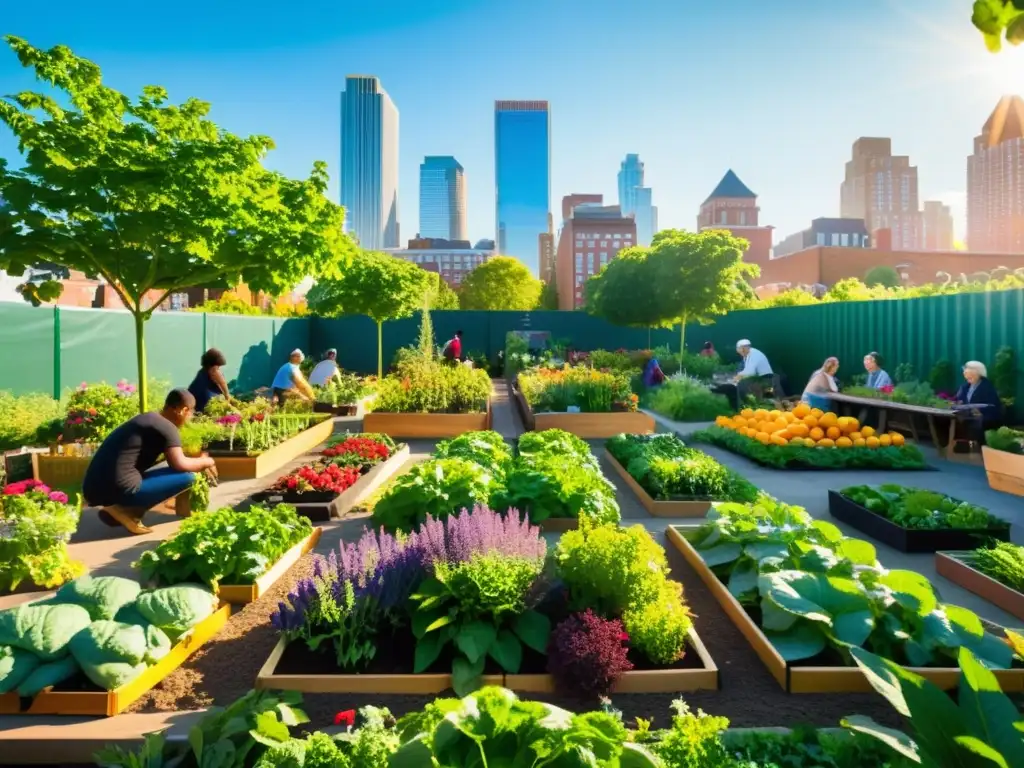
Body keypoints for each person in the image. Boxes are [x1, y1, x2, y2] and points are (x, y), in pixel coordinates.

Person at [83, 389, 217, 535]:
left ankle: (128, 508)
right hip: (117, 490)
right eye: (191, 412)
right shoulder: (167, 427)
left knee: (180, 469)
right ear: (183, 410)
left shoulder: (150, 419)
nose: (190, 417)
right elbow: (180, 464)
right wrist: (207, 461)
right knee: (190, 475)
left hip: (94, 488)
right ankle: (125, 510)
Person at [954, 361, 1003, 433]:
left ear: (979, 374)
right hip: (967, 418)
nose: (967, 377)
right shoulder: (964, 387)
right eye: (965, 374)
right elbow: (958, 401)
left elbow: (994, 407)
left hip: (983, 421)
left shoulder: (987, 387)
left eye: (970, 375)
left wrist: (980, 411)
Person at [187, 348, 231, 413]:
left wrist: (223, 384)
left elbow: (227, 398)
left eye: (219, 368)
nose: (218, 372)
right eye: (215, 369)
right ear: (209, 368)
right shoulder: (201, 384)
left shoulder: (213, 378)